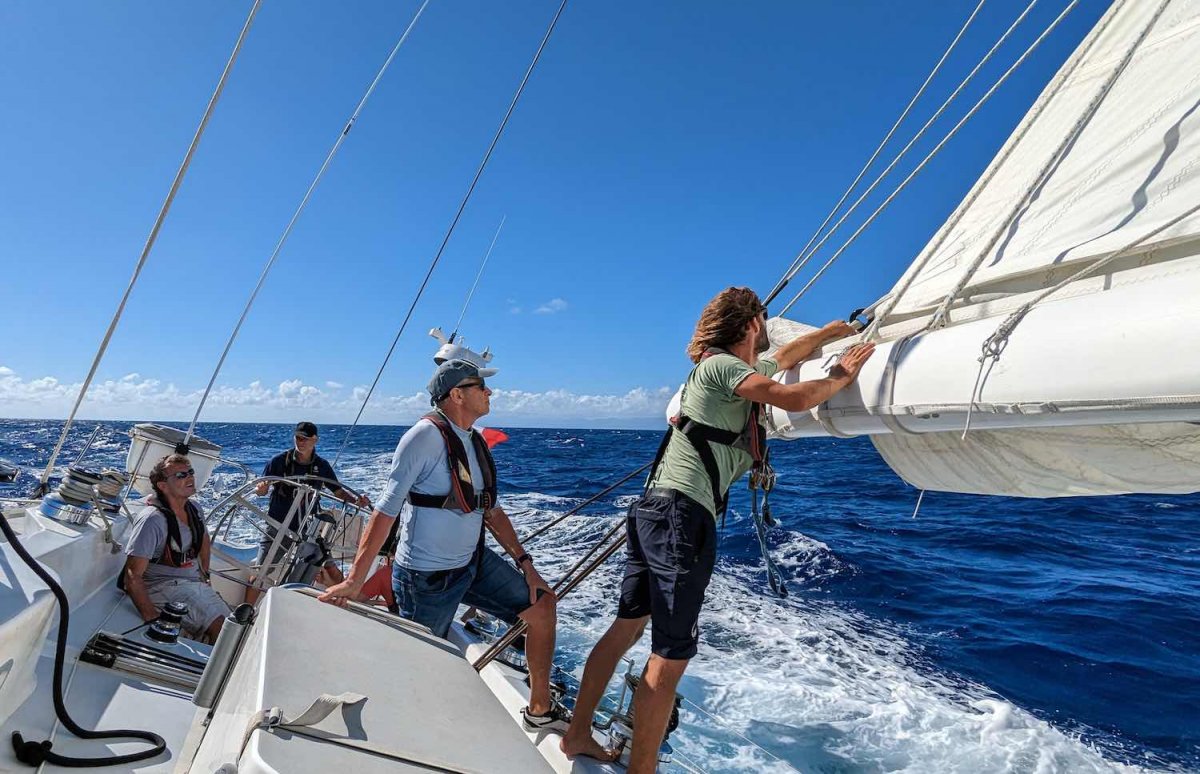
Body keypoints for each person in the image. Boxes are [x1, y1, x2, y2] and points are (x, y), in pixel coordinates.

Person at [559, 287, 876, 769]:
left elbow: (784, 357)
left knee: (626, 628)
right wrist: (840, 374)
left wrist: (830, 332)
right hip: (683, 517)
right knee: (670, 654)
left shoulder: (720, 369)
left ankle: (577, 735)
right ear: (751, 325)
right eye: (763, 322)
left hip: (655, 510)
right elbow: (791, 397)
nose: (768, 331)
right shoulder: (725, 367)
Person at [320, 359, 567, 732]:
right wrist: (356, 579)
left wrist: (526, 564)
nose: (489, 392)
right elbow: (385, 512)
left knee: (543, 605)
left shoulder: (473, 440)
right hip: (426, 578)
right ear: (456, 395)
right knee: (415, 668)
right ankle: (383, 730)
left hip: (472, 563)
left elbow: (492, 512)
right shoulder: (423, 437)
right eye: (480, 386)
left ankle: (540, 710)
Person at [248, 421, 370, 601]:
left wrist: (357, 501)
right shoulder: (278, 462)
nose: (301, 441)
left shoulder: (322, 466)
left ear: (315, 440)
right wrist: (261, 489)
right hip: (278, 526)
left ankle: (347, 606)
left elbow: (338, 492)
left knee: (332, 571)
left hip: (309, 530)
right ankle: (243, 614)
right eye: (298, 437)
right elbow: (262, 490)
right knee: (261, 571)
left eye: (305, 438)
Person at [122, 453, 230, 643]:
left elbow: (203, 541)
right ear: (163, 486)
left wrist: (204, 576)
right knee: (223, 630)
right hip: (162, 586)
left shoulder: (195, 509)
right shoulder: (152, 520)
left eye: (190, 472)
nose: (190, 477)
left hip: (192, 583)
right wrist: (152, 619)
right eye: (180, 475)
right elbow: (132, 575)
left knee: (236, 627)